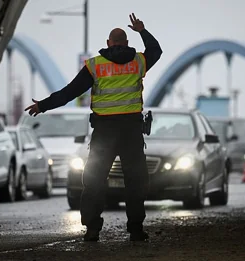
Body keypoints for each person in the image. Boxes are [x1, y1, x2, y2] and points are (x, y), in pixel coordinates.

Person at [25, 13, 162, 242]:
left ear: (108, 43)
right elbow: (156, 50)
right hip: (131, 132)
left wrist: (43, 105)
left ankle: (92, 229)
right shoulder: (139, 61)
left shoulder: (95, 66)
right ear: (127, 43)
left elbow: (70, 92)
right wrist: (142, 31)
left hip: (104, 133)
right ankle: (136, 229)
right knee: (135, 181)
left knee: (94, 180)